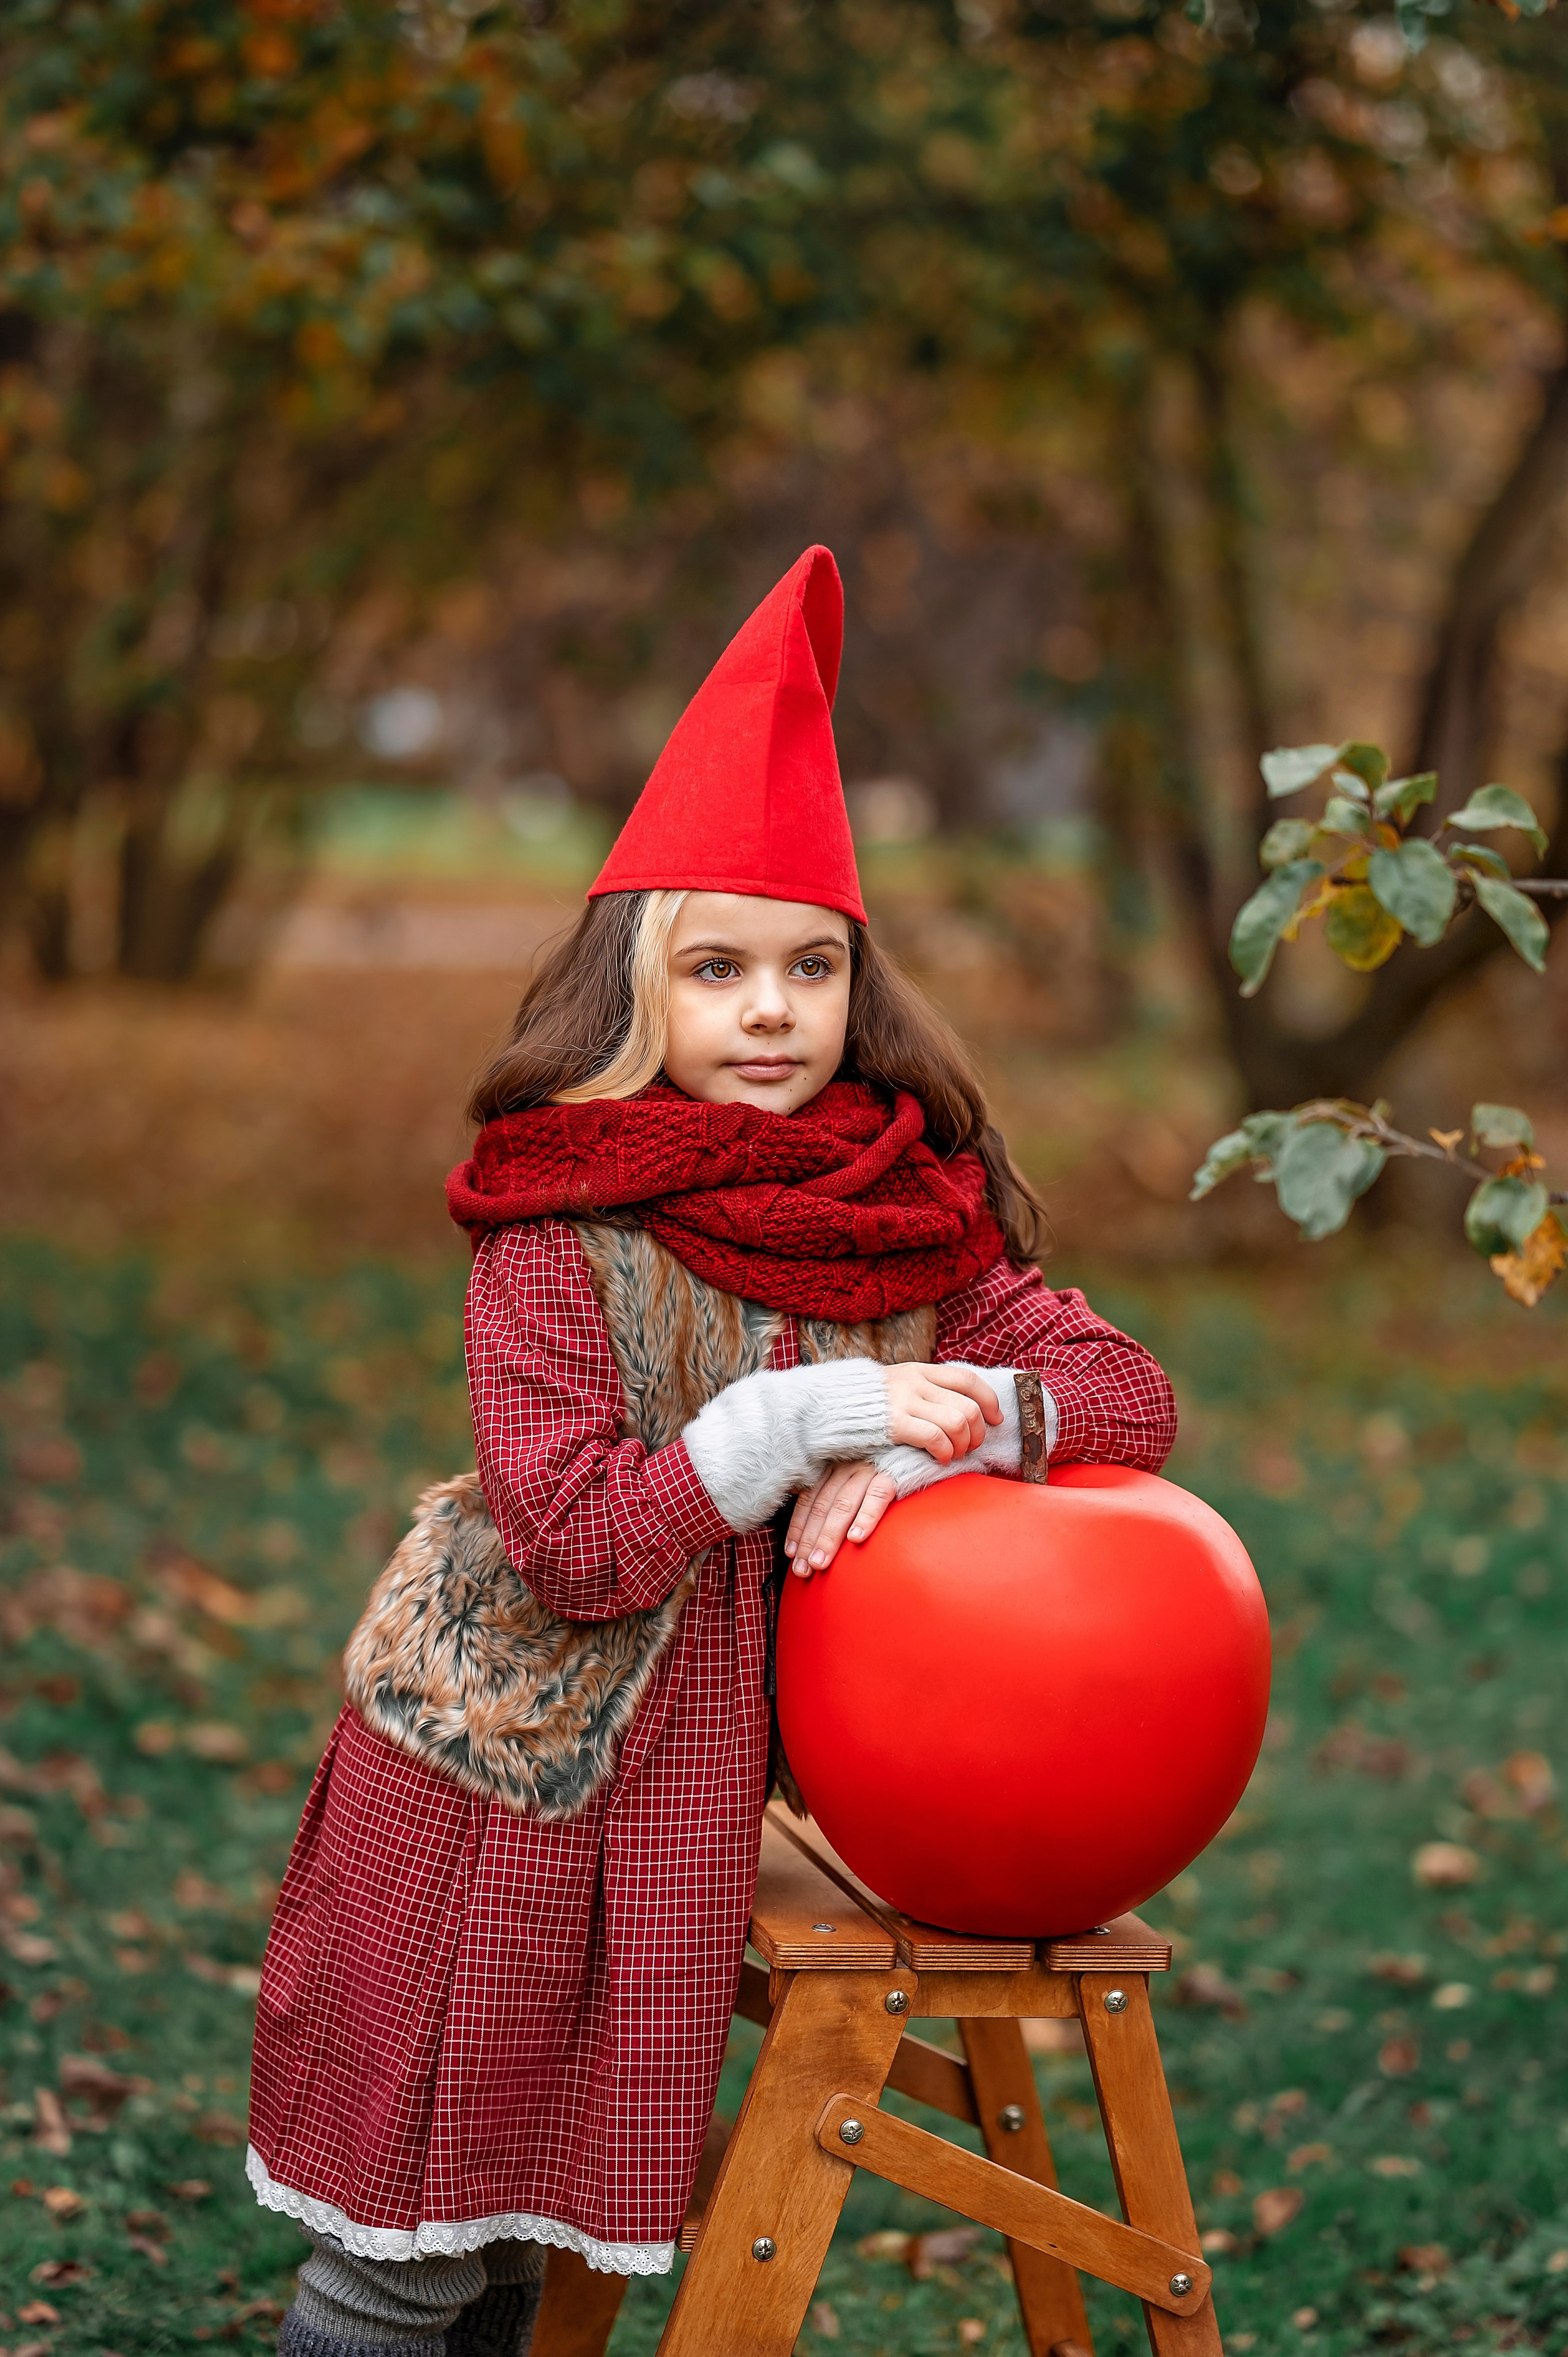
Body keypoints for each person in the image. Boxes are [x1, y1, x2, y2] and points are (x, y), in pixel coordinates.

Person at [247, 548, 1177, 2357]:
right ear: (634, 991)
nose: (771, 1009)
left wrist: (959, 1431)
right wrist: (783, 1425)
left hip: (680, 1819)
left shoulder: (905, 1217)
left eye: (811, 968)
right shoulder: (555, 1232)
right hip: (501, 1793)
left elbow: (1126, 1391)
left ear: (856, 985)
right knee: (417, 2247)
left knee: (538, 2246)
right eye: (721, 968)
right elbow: (580, 1544)